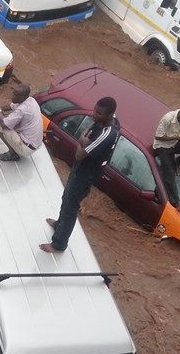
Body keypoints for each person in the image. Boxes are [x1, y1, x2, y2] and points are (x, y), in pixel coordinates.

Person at [40, 97, 120, 253]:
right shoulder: (108, 122)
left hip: (85, 174)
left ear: (110, 114)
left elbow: (79, 154)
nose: (94, 114)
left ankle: (59, 244)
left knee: (71, 207)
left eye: (99, 113)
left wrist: (82, 141)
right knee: (66, 198)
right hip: (81, 169)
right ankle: (59, 225)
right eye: (95, 110)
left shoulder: (107, 133)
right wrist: (85, 141)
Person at [153, 108, 180, 206]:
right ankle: (175, 201)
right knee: (169, 175)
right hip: (163, 146)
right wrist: (177, 137)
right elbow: (158, 136)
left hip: (175, 143)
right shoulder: (168, 118)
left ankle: (178, 163)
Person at [0, 84, 43, 162]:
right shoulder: (31, 100)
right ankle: (16, 149)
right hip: (35, 143)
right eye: (13, 93)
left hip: (26, 148)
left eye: (16, 95)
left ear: (24, 97)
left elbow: (4, 125)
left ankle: (12, 154)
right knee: (8, 120)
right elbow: (11, 106)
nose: (12, 96)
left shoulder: (22, 110)